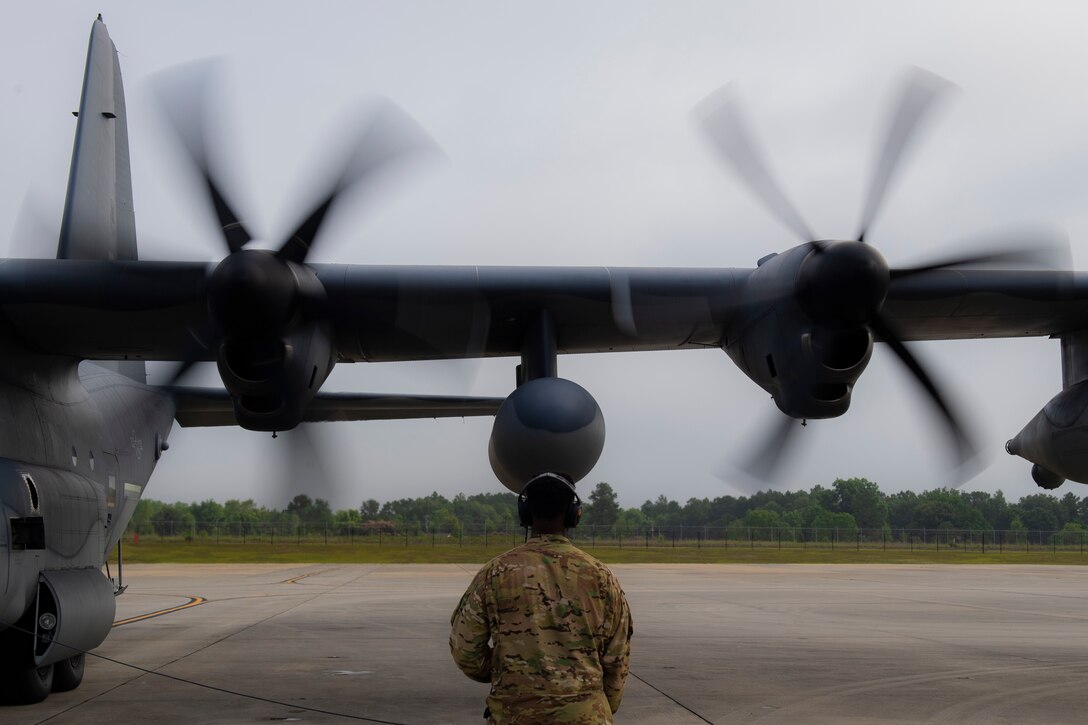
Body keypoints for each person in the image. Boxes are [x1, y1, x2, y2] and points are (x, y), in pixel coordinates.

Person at [450, 472, 633, 724]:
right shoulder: (600, 576)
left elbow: (465, 650)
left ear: (525, 514)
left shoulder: (495, 573)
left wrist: (511, 670)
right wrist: (597, 709)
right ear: (573, 515)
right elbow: (617, 658)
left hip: (514, 715)